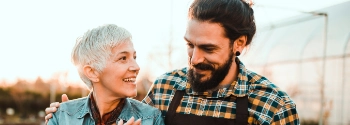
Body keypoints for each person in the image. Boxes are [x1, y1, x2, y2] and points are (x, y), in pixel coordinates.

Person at [46, 0, 300, 124]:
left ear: (239, 43)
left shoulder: (274, 108)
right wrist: (75, 112)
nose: (195, 59)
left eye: (208, 48)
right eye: (191, 45)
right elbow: (122, 109)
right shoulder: (166, 87)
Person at [46, 24, 164, 125]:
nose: (136, 67)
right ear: (92, 72)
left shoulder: (152, 119)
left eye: (134, 57)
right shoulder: (61, 117)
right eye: (123, 58)